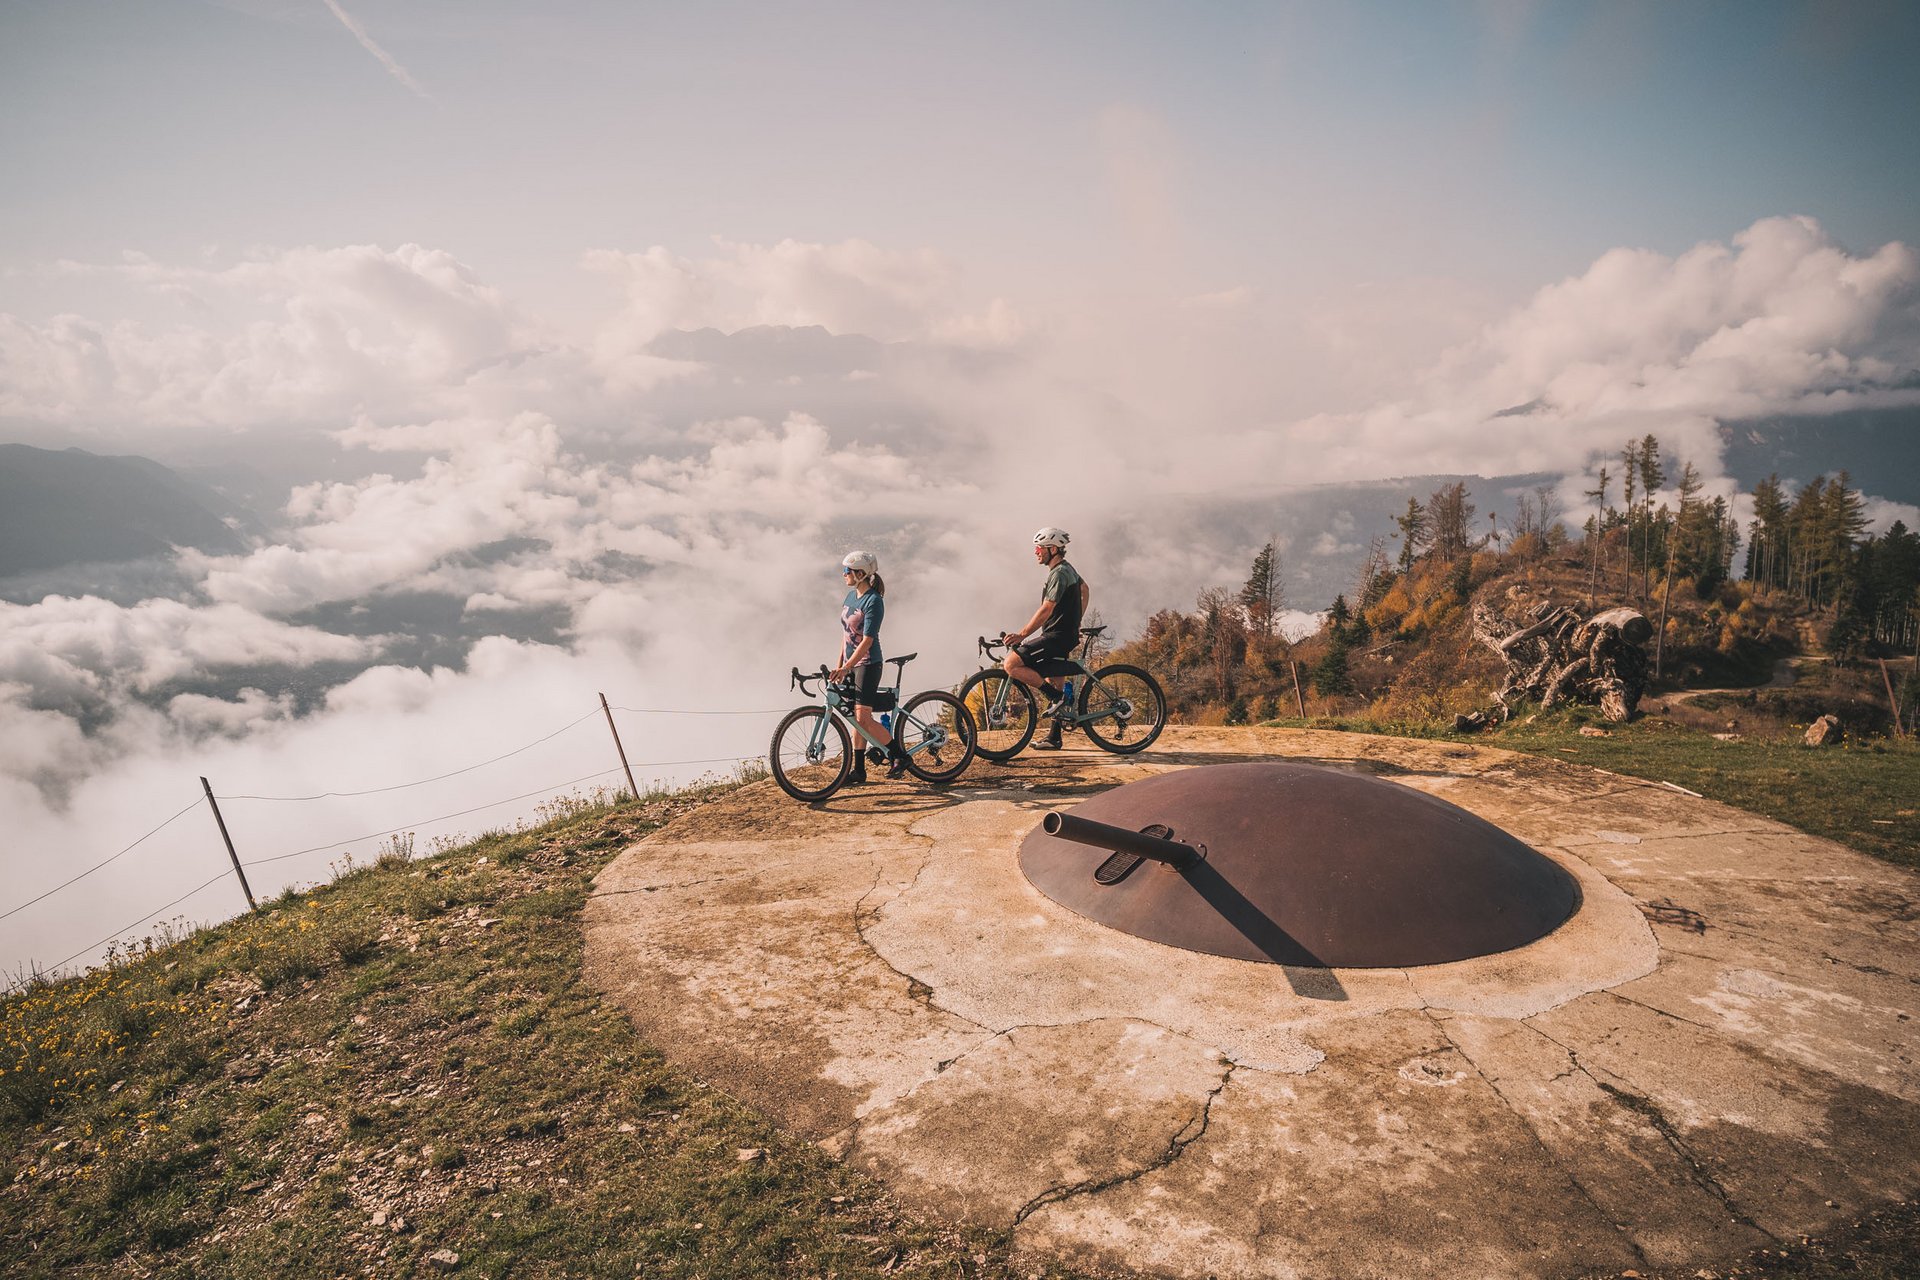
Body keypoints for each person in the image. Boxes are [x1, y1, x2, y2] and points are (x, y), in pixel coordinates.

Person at [1001, 526, 1090, 751]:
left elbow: (1046, 609)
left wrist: (1022, 635)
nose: (1036, 552)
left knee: (1011, 664)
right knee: (1055, 679)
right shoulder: (1067, 569)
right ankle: (1054, 737)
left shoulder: (1059, 573)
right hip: (1063, 635)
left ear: (1052, 549)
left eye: (1039, 548)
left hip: (1056, 636)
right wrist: (1076, 621)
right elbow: (1085, 589)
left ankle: (1055, 698)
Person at [832, 551, 907, 781]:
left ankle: (899, 756)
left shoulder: (874, 601)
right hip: (852, 664)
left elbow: (867, 641)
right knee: (856, 717)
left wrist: (848, 667)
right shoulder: (850, 597)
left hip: (868, 664)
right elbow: (846, 636)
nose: (843, 574)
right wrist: (840, 666)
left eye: (847, 571)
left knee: (863, 718)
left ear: (861, 574)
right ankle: (859, 771)